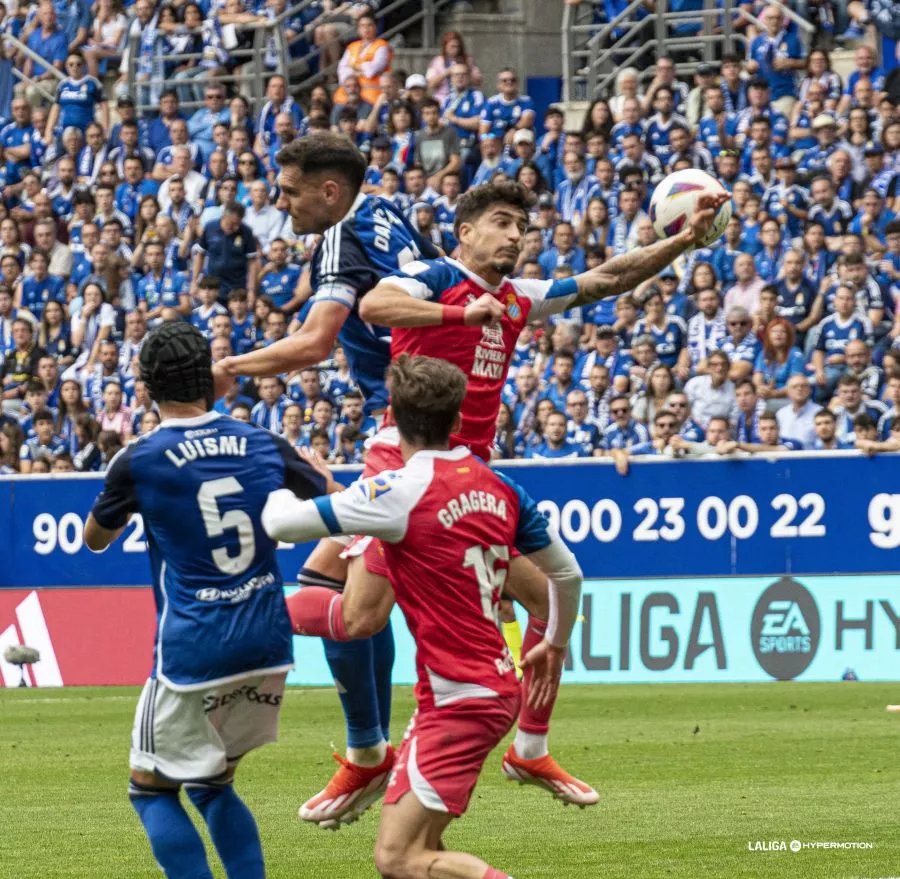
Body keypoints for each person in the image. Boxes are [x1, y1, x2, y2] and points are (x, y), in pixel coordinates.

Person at [261, 354, 582, 879]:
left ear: (391, 416)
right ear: (459, 421)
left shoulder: (395, 492)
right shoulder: (500, 487)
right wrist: (557, 642)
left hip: (459, 702)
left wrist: (279, 476)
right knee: (424, 845)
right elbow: (567, 578)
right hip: (488, 688)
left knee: (398, 858)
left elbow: (281, 524)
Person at [212, 132, 441, 826]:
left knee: (334, 595)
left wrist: (228, 369)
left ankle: (214, 631)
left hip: (406, 429)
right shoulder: (391, 217)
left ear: (330, 190)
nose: (281, 206)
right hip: (423, 419)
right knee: (344, 585)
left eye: (289, 191)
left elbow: (313, 343)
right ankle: (371, 748)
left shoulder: (342, 237)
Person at [82, 322, 326, 879]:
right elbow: (331, 498)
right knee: (212, 787)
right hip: (268, 640)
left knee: (149, 791)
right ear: (210, 379)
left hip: (194, 650)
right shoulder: (263, 440)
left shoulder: (139, 459)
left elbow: (96, 540)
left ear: (145, 387)